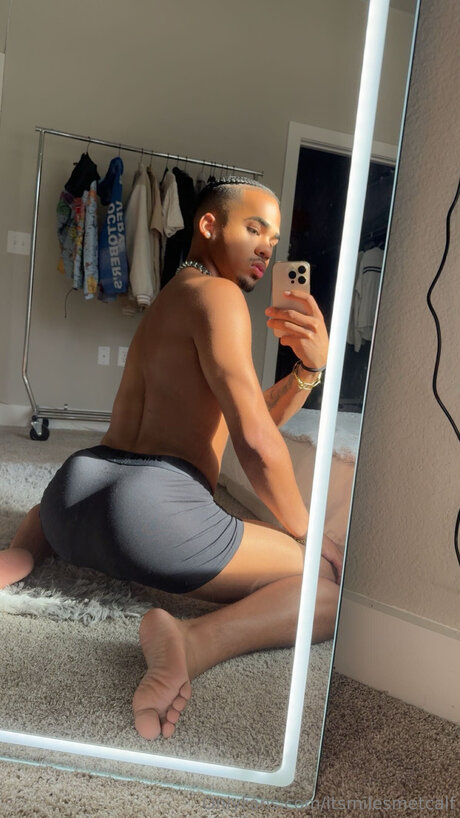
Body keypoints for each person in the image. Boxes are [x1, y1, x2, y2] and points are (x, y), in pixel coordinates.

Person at [0, 177, 342, 741]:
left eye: (274, 240)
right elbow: (256, 442)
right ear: (209, 225)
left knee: (65, 509)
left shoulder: (169, 300)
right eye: (254, 228)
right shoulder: (222, 297)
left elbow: (240, 420)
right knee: (322, 589)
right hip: (149, 516)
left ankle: (20, 553)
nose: (266, 248)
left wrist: (308, 370)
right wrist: (306, 533)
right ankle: (192, 641)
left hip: (72, 494)